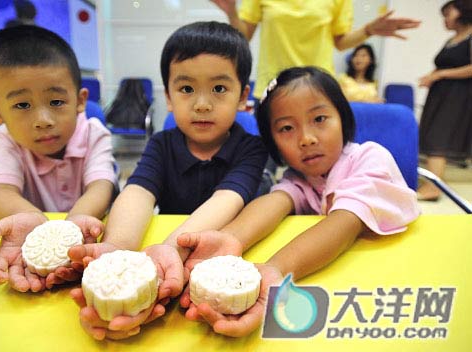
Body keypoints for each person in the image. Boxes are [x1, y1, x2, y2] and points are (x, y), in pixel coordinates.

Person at [175, 66, 420, 337]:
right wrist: (230, 238)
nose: (307, 138)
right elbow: (275, 201)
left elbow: (344, 223)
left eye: (320, 118)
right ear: (273, 143)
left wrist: (275, 269)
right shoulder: (302, 177)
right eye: (287, 128)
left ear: (343, 118)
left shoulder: (370, 159)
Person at [67, 21, 269, 340]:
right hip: (169, 259)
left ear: (243, 96)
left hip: (213, 267)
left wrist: (171, 249)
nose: (202, 103)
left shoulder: (251, 148)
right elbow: (137, 193)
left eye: (219, 88)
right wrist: (119, 247)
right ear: (170, 97)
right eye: (187, 89)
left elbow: (226, 200)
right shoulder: (162, 143)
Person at [0, 25, 118, 293]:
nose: (43, 121)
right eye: (22, 105)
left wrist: (72, 228)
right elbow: (0, 190)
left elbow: (101, 186)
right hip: (35, 237)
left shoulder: (93, 133)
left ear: (79, 100)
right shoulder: (3, 139)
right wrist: (35, 224)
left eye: (55, 102)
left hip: (88, 238)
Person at [211, 0, 421, 101]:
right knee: (264, 165)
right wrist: (232, 12)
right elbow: (243, 36)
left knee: (314, 170)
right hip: (272, 86)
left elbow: (340, 42)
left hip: (317, 87)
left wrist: (369, 30)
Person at [417, 0, 472, 201]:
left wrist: (440, 75)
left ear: (462, 12)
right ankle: (435, 182)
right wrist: (432, 76)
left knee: (438, 137)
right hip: (441, 95)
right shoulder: (453, 39)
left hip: (458, 96)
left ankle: (433, 188)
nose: (445, 20)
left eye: (448, 14)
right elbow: (442, 65)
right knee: (432, 134)